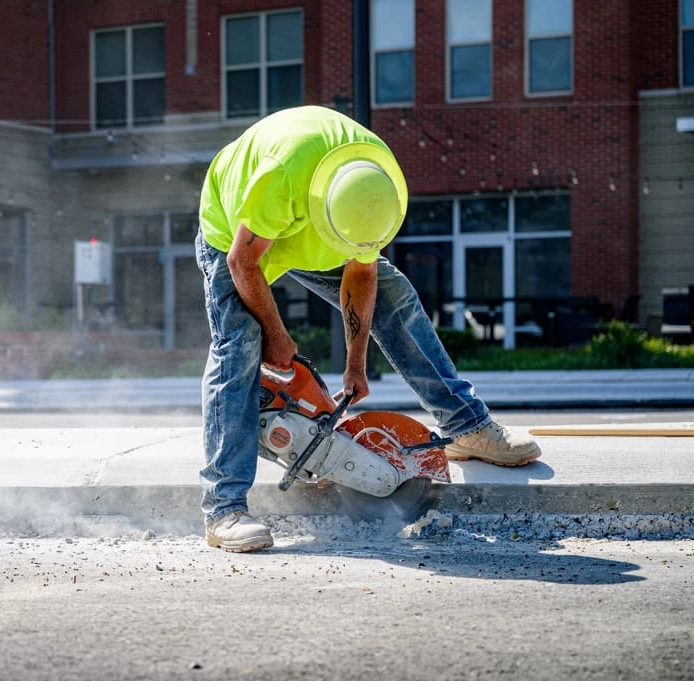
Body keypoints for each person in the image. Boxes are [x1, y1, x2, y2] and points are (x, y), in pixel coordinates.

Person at [195, 105, 540, 553]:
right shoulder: (280, 178)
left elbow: (363, 275)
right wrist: (276, 335)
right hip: (233, 235)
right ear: (322, 211)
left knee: (394, 296)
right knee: (239, 346)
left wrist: (356, 366)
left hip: (306, 226)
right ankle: (223, 509)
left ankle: (466, 426)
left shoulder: (378, 186)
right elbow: (243, 261)